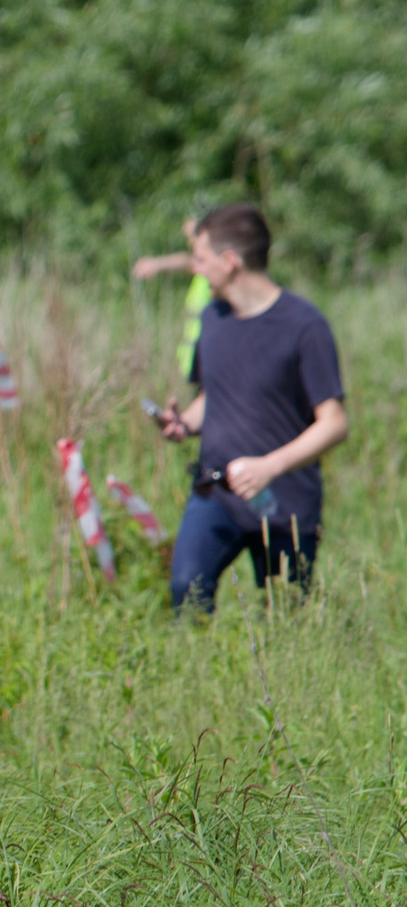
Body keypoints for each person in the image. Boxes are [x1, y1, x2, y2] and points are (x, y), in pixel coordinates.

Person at [155, 204, 348, 611]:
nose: (195, 269)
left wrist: (269, 467)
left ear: (230, 261)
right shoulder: (212, 318)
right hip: (215, 491)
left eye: (202, 259)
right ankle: (198, 674)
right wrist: (183, 423)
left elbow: (333, 423)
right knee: (186, 591)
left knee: (285, 616)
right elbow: (215, 395)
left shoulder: (304, 326)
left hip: (285, 502)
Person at [132, 215, 215, 383]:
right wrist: (156, 264)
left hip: (210, 364)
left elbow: (192, 260)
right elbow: (189, 261)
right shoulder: (203, 275)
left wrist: (197, 232)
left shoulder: (215, 274)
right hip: (197, 366)